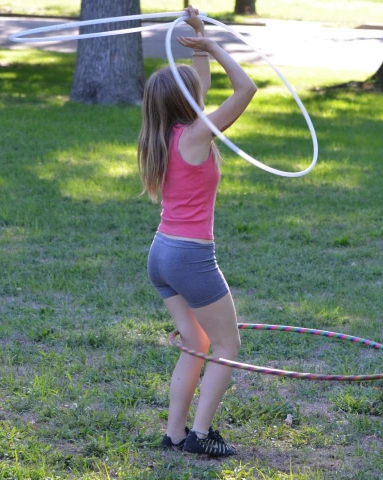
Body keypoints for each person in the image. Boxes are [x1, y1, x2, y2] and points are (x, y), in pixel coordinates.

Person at [137, 5, 257, 457]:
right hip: (190, 257)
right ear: (188, 104)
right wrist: (216, 47)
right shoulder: (197, 135)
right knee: (226, 342)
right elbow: (246, 88)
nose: (201, 92)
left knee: (195, 342)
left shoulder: (164, 135)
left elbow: (200, 84)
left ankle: (173, 434)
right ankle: (202, 434)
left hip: (161, 255)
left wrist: (199, 33)